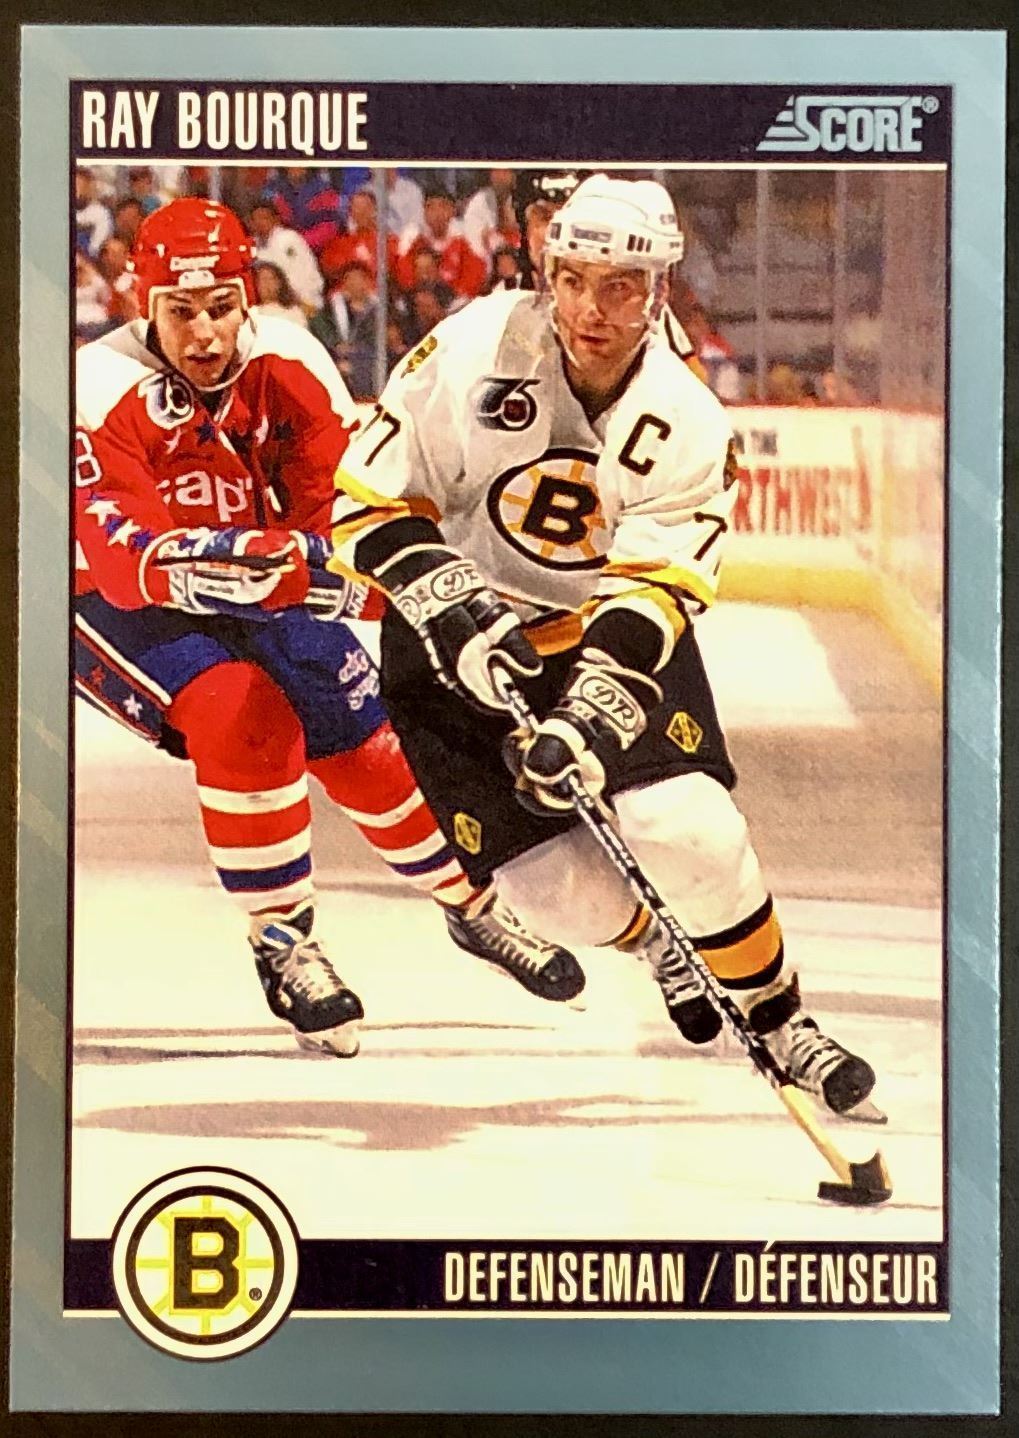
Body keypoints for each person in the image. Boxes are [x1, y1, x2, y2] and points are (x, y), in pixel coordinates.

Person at [326, 175, 879, 1119]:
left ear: (658, 289)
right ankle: (662, 944)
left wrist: (584, 718)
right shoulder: (471, 347)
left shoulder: (688, 420)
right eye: (574, 280)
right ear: (547, 270)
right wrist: (450, 602)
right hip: (442, 647)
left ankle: (781, 1017)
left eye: (620, 287)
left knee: (688, 830)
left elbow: (653, 590)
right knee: (553, 899)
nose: (592, 308)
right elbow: (364, 504)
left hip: (597, 636)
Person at [74, 198, 585, 1059]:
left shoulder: (290, 357)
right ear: (141, 302)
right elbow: (125, 559)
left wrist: (405, 586)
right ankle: (283, 940)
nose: (205, 333)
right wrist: (274, 561)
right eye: (180, 310)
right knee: (246, 717)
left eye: (221, 306)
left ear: (249, 294)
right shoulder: (98, 383)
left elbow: (339, 516)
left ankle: (473, 908)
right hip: (109, 603)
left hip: (258, 582)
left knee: (367, 740)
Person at [248, 200, 324, 315]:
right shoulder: (252, 245)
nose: (260, 223)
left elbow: (303, 274)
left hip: (303, 301)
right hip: (271, 305)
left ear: (275, 220)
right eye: (256, 219)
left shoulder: (289, 239)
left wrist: (296, 299)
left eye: (264, 218)